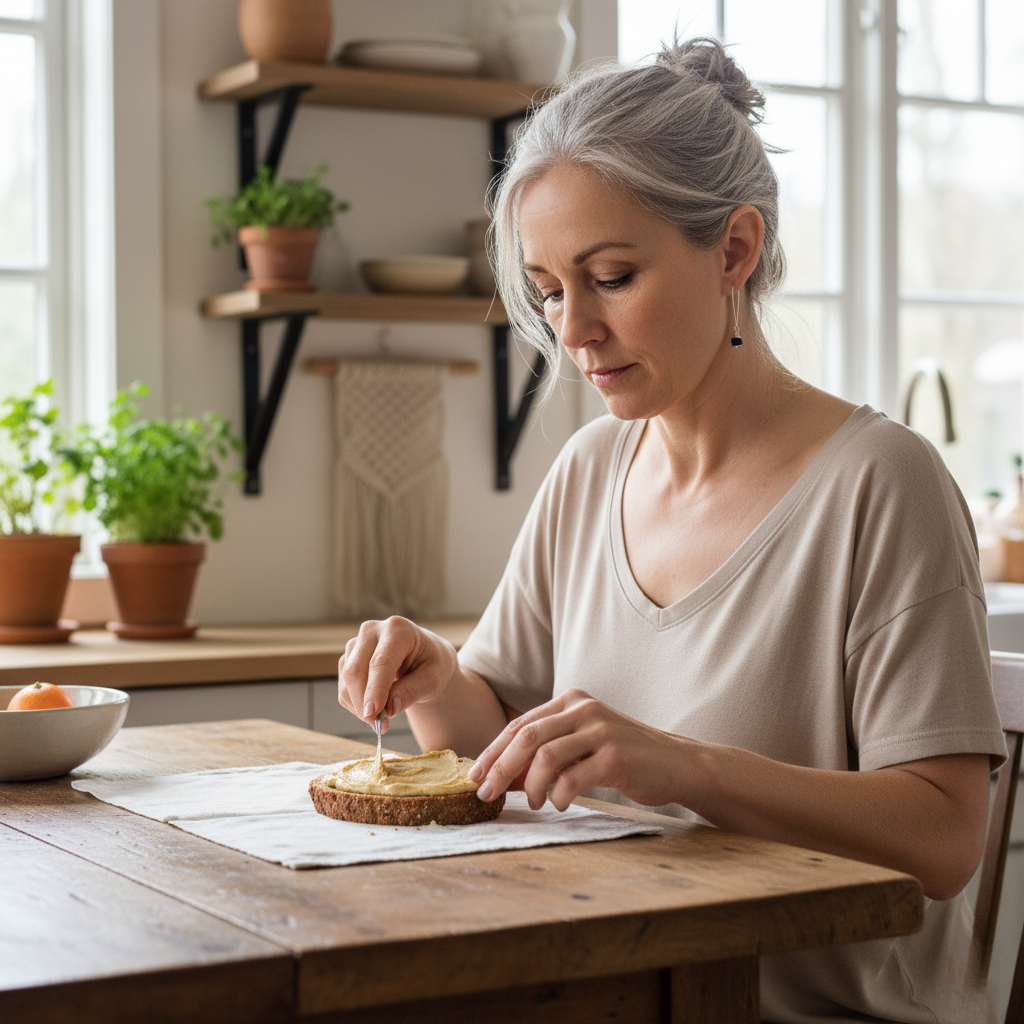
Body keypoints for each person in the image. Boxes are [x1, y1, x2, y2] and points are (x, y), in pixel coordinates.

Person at [338, 37, 1007, 1024]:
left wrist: (682, 765)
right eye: (549, 289)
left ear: (734, 250)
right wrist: (438, 680)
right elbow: (501, 739)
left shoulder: (881, 482)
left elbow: (945, 839)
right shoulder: (587, 475)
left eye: (609, 276)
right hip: (619, 987)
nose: (571, 331)